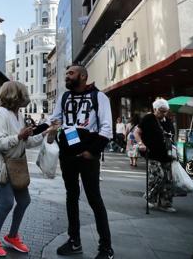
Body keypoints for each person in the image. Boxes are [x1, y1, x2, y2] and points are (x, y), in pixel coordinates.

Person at [0, 81, 58, 257]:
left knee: (24, 201)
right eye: (24, 94)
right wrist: (18, 136)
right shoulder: (1, 114)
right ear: (16, 95)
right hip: (1, 166)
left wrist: (44, 133)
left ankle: (11, 236)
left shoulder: (17, 115)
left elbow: (27, 142)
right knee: (8, 202)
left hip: (16, 166)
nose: (27, 97)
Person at [49, 65, 114, 259]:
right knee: (71, 197)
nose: (66, 76)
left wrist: (91, 152)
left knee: (94, 199)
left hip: (88, 157)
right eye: (66, 73)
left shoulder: (99, 97)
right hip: (67, 155)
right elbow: (54, 119)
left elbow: (106, 128)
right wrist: (49, 128)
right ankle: (74, 241)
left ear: (83, 76)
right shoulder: (64, 97)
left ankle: (106, 248)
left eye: (71, 73)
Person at [136, 99, 176, 213]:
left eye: (165, 111)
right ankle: (150, 197)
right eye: (161, 111)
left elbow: (171, 137)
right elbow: (137, 132)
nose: (163, 113)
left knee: (168, 179)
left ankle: (165, 203)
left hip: (167, 154)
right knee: (158, 175)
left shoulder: (168, 121)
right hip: (153, 154)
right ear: (155, 109)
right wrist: (141, 144)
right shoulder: (148, 118)